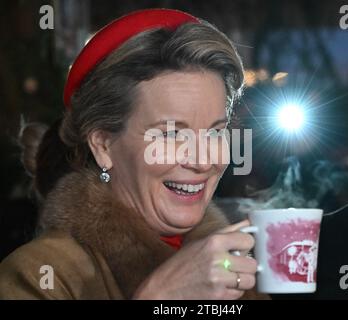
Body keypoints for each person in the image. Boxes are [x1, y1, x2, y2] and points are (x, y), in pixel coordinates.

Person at [0, 9, 267, 300]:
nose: (203, 161)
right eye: (170, 134)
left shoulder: (237, 265)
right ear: (103, 145)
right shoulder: (39, 275)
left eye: (215, 132)